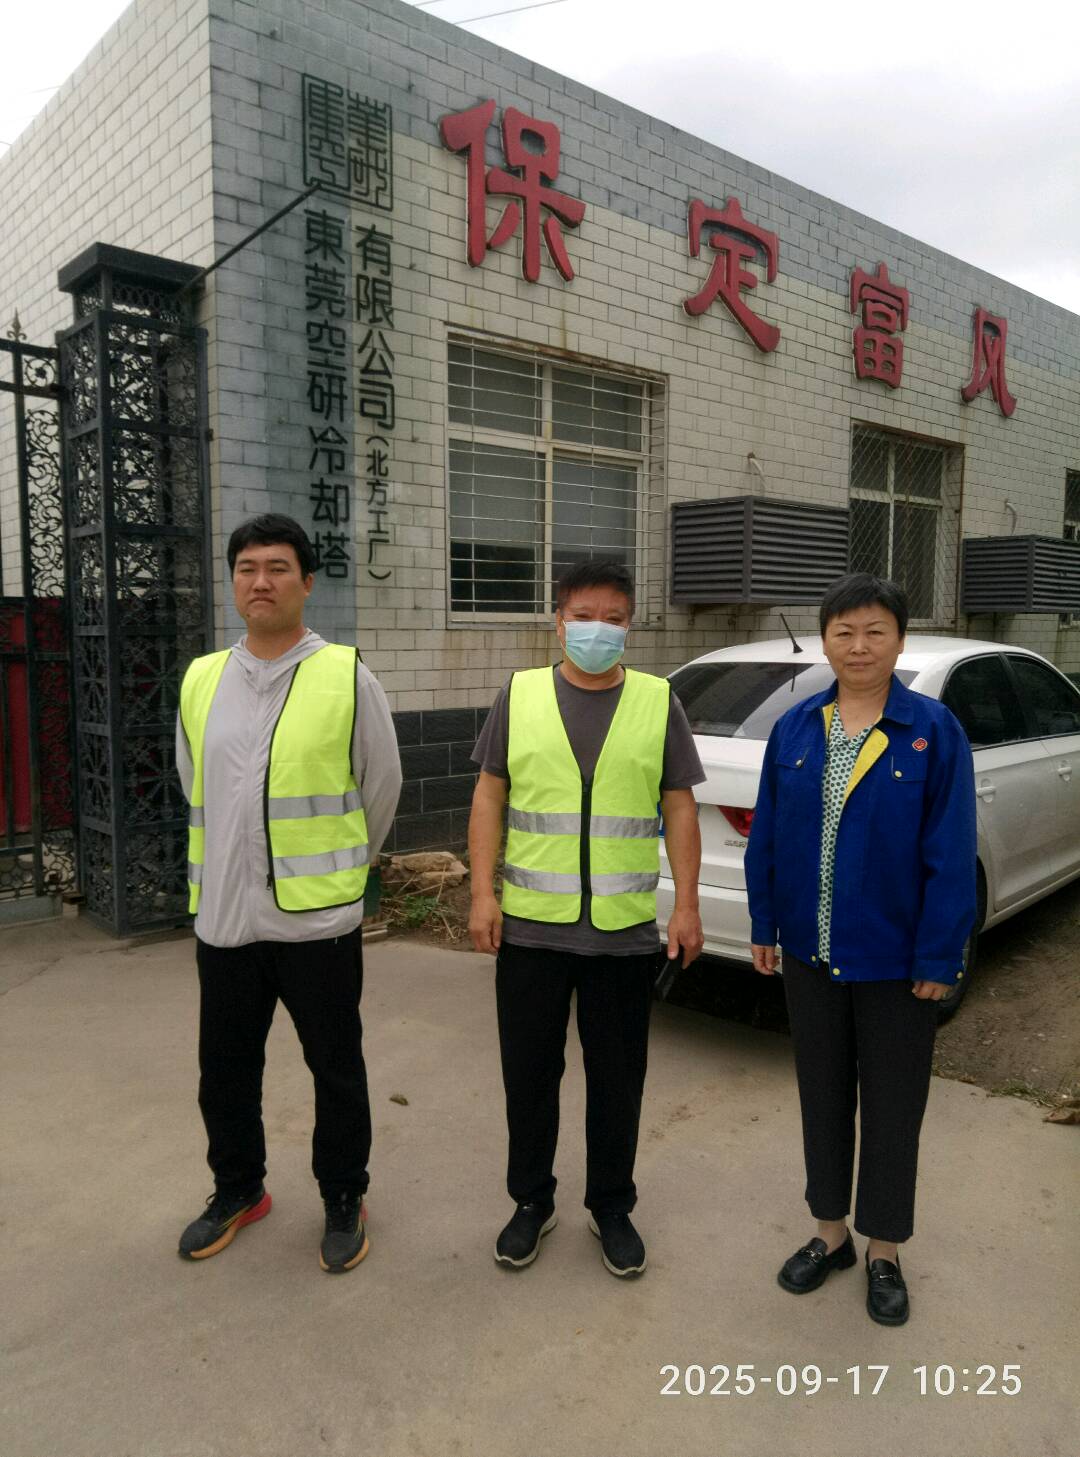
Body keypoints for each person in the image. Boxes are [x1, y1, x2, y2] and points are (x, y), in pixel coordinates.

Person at [745, 572, 976, 1325]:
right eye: (844, 631)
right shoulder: (796, 728)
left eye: (875, 631)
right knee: (821, 1097)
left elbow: (950, 854)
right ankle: (830, 1234)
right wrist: (763, 925)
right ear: (826, 641)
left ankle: (884, 1249)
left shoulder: (932, 730)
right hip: (810, 955)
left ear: (899, 640)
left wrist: (939, 957)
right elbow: (768, 837)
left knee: (893, 1107)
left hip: (895, 963)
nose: (859, 645)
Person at [175, 514, 401, 1272]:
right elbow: (193, 781)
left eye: (277, 568)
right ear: (232, 583)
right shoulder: (202, 678)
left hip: (317, 922)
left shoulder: (345, 674)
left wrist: (341, 872)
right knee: (224, 1071)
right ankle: (239, 1188)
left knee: (335, 1069)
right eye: (246, 568)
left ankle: (343, 1194)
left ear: (307, 582)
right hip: (225, 918)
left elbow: (381, 786)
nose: (260, 581)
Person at [468, 559, 705, 1277]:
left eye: (612, 618)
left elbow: (679, 807)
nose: (596, 629)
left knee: (618, 1081)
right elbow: (489, 796)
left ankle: (611, 1205)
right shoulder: (520, 694)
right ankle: (531, 1202)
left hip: (623, 936)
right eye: (582, 615)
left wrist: (687, 904)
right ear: (558, 621)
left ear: (629, 626)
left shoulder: (659, 701)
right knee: (529, 1077)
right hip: (531, 931)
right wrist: (481, 894)